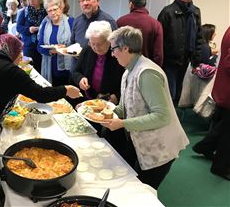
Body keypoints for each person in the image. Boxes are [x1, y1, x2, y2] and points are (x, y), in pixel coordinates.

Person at [0, 34, 81, 207]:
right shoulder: (10, 71)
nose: (21, 57)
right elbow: (41, 94)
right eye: (20, 53)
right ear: (12, 53)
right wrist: (65, 90)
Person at [102, 26, 189, 189]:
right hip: (142, 141)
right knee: (131, 184)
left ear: (126, 48)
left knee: (143, 192)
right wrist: (100, 111)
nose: (112, 54)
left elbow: (161, 116)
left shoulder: (147, 73)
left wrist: (123, 123)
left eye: (113, 49)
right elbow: (124, 108)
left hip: (160, 147)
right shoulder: (129, 70)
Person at [71, 21, 124, 141]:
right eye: (92, 43)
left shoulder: (117, 54)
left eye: (99, 44)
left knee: (110, 139)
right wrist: (80, 79)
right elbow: (75, 71)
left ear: (109, 40)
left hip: (110, 105)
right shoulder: (88, 49)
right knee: (88, 136)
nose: (95, 47)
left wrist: (117, 96)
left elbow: (126, 82)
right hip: (89, 102)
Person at [158, 0, 204, 104]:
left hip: (186, 59)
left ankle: (172, 120)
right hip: (169, 60)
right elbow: (159, 39)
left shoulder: (195, 12)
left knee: (178, 93)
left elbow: (198, 37)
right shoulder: (168, 12)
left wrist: (196, 61)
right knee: (169, 94)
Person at [192, 26, 230, 181]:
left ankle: (205, 146)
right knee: (228, 131)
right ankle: (220, 167)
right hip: (228, 90)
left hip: (224, 87)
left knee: (224, 124)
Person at [117, 0, 163, 66]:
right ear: (144, 4)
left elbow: (115, 48)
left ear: (131, 4)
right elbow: (158, 55)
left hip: (123, 69)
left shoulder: (120, 21)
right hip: (145, 69)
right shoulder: (156, 24)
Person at [37, 0, 73, 85]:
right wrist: (51, 51)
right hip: (50, 68)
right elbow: (39, 46)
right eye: (49, 10)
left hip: (68, 69)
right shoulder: (45, 23)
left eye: (55, 9)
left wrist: (65, 50)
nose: (53, 13)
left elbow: (77, 45)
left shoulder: (71, 22)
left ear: (60, 8)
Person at [16, 0, 47, 73]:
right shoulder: (24, 12)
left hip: (41, 45)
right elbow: (18, 27)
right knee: (27, 69)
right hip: (28, 45)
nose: (31, 1)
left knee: (40, 69)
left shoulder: (45, 12)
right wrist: (29, 29)